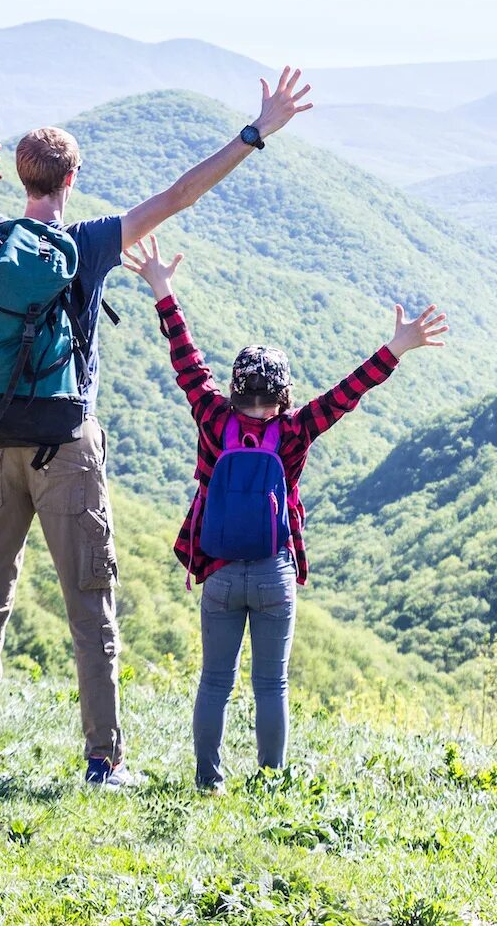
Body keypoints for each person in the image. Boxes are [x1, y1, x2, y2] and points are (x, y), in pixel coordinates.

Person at [0, 41, 315, 784]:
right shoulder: (86, 245)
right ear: (71, 179)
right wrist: (256, 129)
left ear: (21, 177)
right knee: (89, 602)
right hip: (68, 446)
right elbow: (180, 195)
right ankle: (101, 758)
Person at [123, 234, 448, 790]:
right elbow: (349, 392)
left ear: (233, 389)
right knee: (270, 685)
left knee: (215, 682)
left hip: (219, 568)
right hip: (274, 569)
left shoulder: (211, 416)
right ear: (284, 393)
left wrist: (162, 288)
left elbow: (186, 358)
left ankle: (208, 781)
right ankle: (270, 784)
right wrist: (397, 346)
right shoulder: (296, 429)